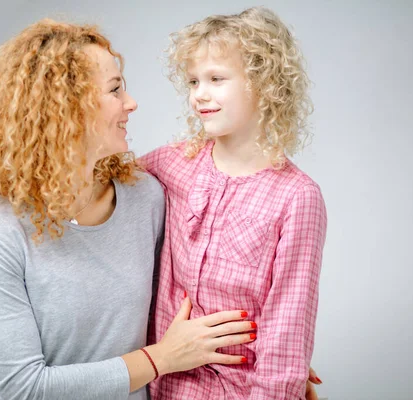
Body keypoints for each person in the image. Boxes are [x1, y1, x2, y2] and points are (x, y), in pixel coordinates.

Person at [0, 19, 259, 400]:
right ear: (63, 110)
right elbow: (24, 389)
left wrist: (261, 361)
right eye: (114, 90)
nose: (131, 103)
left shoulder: (145, 197)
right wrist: (161, 358)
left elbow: (193, 299)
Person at [141, 7, 328, 399]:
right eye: (193, 81)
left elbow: (286, 328)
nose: (199, 95)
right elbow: (100, 183)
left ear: (264, 83)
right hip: (164, 389)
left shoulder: (296, 197)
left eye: (216, 79)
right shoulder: (173, 164)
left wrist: (286, 378)